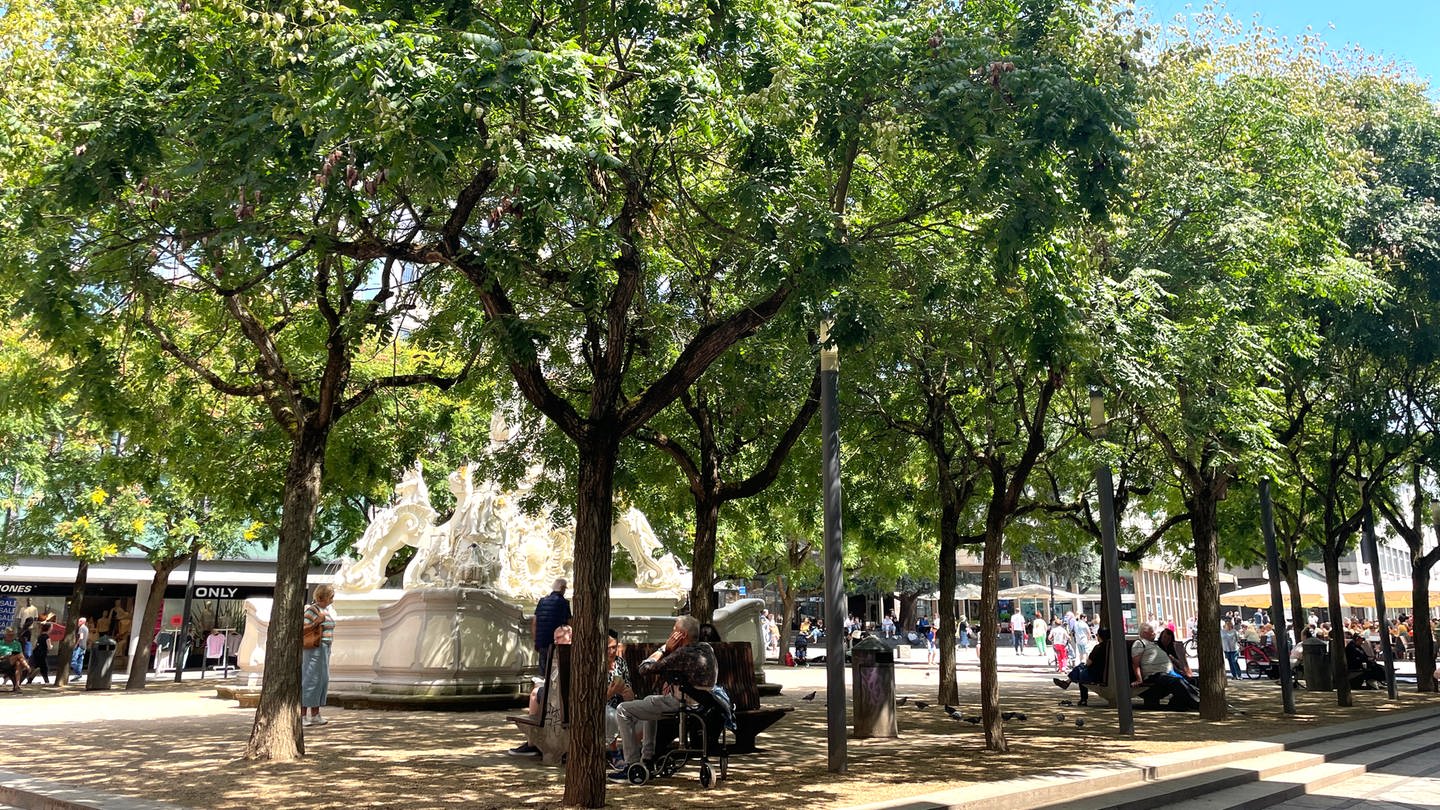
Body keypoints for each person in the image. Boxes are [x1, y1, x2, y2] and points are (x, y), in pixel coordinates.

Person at [610, 616, 719, 782]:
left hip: (680, 702)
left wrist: (664, 649)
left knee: (623, 709)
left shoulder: (682, 653)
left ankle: (630, 763)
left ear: (680, 635)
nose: (671, 633)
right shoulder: (706, 649)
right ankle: (647, 756)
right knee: (650, 700)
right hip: (701, 702)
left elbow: (644, 668)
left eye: (674, 630)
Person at [1131, 622, 1200, 711]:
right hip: (1155, 676)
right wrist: (1139, 679)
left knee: (1193, 680)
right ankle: (1197, 704)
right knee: (1177, 682)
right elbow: (1135, 663)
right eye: (1152, 632)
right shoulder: (1139, 643)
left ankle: (1181, 703)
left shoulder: (1153, 645)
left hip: (1166, 675)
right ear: (1144, 633)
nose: (1154, 633)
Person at [301, 584, 337, 726]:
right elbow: (302, 629)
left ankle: (315, 713)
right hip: (314, 648)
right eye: (331, 596)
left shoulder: (326, 610)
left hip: (325, 648)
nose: (332, 599)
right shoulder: (312, 610)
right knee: (310, 679)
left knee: (321, 680)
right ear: (325, 596)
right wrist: (316, 622)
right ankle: (302, 714)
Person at [1053, 627, 1111, 705]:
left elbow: (1089, 663)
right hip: (1105, 673)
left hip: (1097, 674)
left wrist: (1085, 664)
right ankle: (1067, 682)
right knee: (1080, 668)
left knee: (1080, 672)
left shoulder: (1098, 648)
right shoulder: (1111, 647)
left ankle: (1081, 697)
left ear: (1099, 636)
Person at [531, 578, 571, 676]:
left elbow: (534, 623)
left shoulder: (542, 601)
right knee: (556, 674)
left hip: (542, 642)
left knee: (543, 673)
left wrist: (536, 640)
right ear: (562, 588)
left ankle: (542, 689)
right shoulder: (564, 603)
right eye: (565, 588)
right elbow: (570, 623)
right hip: (558, 643)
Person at [1, 627, 32, 691]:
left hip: (14, 663)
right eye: (9, 635)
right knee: (18, 655)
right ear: (5, 635)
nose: (11, 637)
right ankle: (27, 667)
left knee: (18, 663)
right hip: (3, 662)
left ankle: (17, 685)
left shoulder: (17, 644)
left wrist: (14, 655)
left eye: (12, 635)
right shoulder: (1, 643)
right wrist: (5, 656)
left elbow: (22, 655)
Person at [26, 614, 53, 685]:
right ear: (49, 629)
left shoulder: (40, 636)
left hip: (36, 654)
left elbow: (35, 645)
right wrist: (51, 646)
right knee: (44, 668)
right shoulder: (47, 637)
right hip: (42, 655)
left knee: (37, 668)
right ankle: (46, 681)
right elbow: (49, 647)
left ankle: (29, 680)